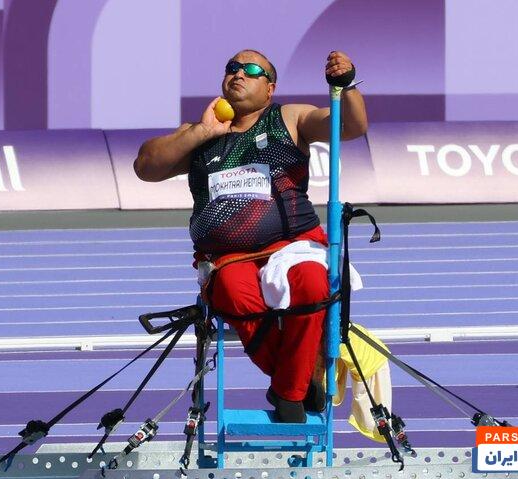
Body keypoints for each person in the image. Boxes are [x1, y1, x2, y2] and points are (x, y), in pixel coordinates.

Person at [134, 49, 367, 423]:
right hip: (228, 257)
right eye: (232, 68)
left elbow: (350, 126)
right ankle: (299, 383)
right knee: (231, 289)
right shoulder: (202, 133)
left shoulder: (289, 118)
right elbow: (145, 166)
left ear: (270, 88)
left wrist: (345, 85)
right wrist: (201, 132)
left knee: (313, 281)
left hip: (293, 246)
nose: (239, 74)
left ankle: (288, 393)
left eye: (252, 70)